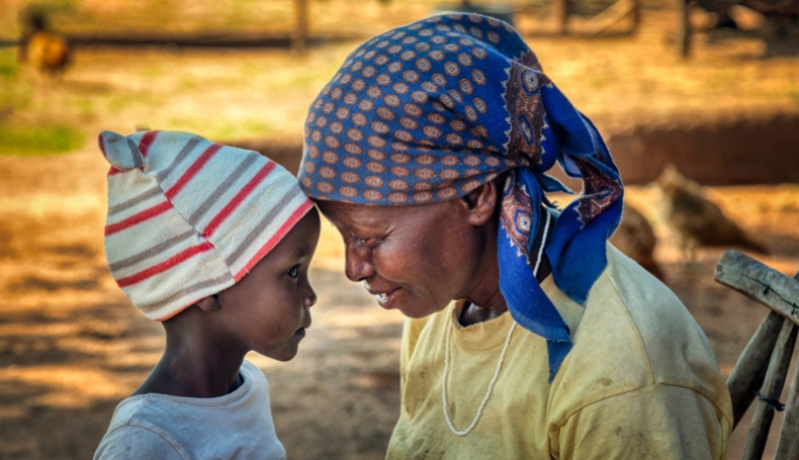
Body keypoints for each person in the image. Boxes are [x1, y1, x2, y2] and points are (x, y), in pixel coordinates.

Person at [298, 13, 733, 460]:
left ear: (476, 198)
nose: (354, 269)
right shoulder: (439, 306)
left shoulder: (624, 377)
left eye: (370, 238)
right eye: (344, 237)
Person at [93, 129, 319, 460]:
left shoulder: (245, 387)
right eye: (293, 272)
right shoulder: (143, 443)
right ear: (207, 285)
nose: (311, 295)